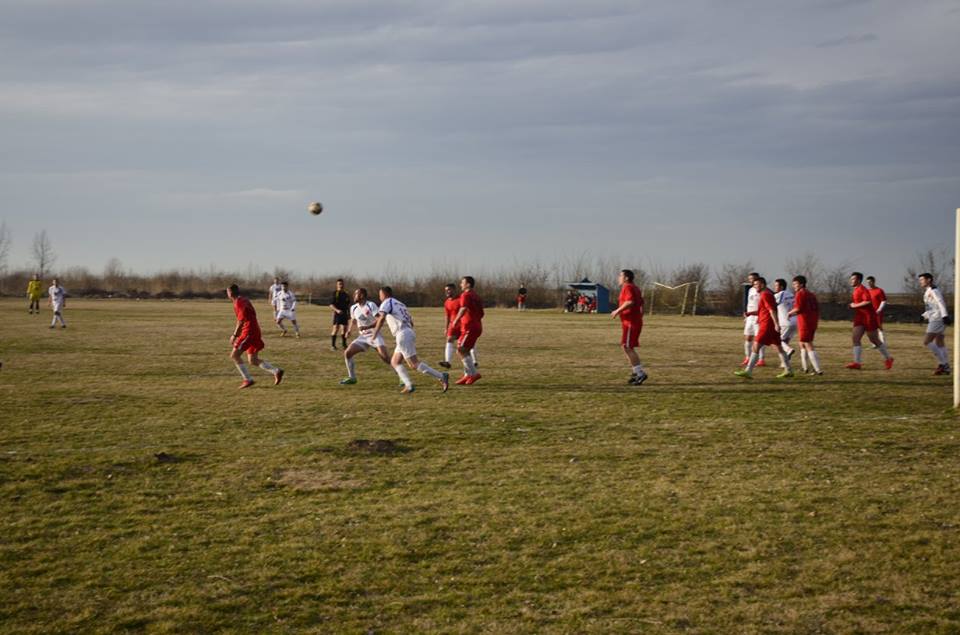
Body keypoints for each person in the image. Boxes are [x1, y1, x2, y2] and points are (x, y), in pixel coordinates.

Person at [368, 286, 449, 393]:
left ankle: (441, 376)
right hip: (407, 332)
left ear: (384, 294)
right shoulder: (401, 304)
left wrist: (375, 333)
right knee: (395, 362)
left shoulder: (387, 302)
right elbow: (411, 322)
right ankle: (409, 385)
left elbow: (382, 318)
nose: (379, 297)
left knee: (414, 364)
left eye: (380, 294)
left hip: (402, 334)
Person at [227, 284, 284, 389]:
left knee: (235, 355)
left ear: (230, 293)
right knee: (252, 360)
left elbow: (240, 321)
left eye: (227, 292)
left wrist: (235, 335)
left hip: (248, 331)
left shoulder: (239, 303)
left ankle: (247, 379)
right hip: (255, 329)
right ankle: (276, 371)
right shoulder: (244, 299)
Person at [735, 277, 794, 379]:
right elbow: (763, 310)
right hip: (769, 325)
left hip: (767, 325)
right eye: (754, 285)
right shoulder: (766, 294)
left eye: (756, 284)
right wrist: (750, 313)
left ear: (762, 284)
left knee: (756, 346)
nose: (755, 287)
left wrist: (776, 324)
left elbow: (772, 310)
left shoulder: (765, 295)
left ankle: (748, 371)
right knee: (778, 347)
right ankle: (788, 370)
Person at [340, 288, 391, 384]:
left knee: (385, 357)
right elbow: (354, 320)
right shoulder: (353, 308)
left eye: (356, 294)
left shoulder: (371, 305)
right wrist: (349, 330)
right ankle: (352, 378)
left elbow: (378, 320)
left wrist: (367, 327)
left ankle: (401, 376)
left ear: (362, 295)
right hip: (363, 338)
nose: (354, 296)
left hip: (374, 335)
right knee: (347, 353)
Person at [846, 272, 893, 370]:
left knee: (874, 340)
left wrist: (854, 305)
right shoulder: (855, 290)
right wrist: (853, 305)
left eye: (853, 279)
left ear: (858, 280)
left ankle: (888, 358)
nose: (851, 280)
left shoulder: (862, 289)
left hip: (868, 317)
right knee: (855, 338)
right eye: (851, 279)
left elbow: (867, 301)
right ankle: (857, 363)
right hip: (859, 317)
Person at [610, 269, 647, 385]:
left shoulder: (628, 287)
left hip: (631, 323)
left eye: (620, 275)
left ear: (626, 278)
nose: (618, 278)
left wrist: (617, 311)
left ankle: (640, 373)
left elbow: (629, 302)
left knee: (627, 347)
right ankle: (636, 372)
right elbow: (641, 304)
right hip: (633, 322)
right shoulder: (635, 287)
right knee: (627, 347)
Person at [448, 276, 484, 385]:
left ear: (468, 284)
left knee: (461, 350)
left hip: (469, 327)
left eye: (462, 283)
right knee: (465, 350)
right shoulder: (476, 296)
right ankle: (467, 375)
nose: (460, 285)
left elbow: (463, 308)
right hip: (476, 326)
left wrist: (456, 320)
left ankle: (473, 374)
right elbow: (482, 313)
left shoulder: (465, 295)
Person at [918, 273, 952, 375]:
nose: (920, 282)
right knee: (939, 342)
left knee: (927, 341)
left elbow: (940, 303)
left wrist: (944, 316)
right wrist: (924, 315)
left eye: (922, 280)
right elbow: (931, 308)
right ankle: (946, 367)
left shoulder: (934, 290)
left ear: (929, 280)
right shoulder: (928, 291)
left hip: (937, 318)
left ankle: (943, 364)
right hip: (935, 317)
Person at [788, 275, 823, 375]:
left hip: (805, 321)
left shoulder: (800, 294)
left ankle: (818, 369)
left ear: (801, 284)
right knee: (802, 343)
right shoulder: (811, 294)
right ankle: (805, 367)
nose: (794, 286)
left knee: (808, 344)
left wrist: (789, 313)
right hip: (812, 321)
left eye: (795, 284)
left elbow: (798, 308)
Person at [439, 283, 477, 370]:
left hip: (463, 323)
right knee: (449, 339)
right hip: (453, 324)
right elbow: (447, 316)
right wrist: (446, 327)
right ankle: (447, 362)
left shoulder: (461, 299)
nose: (447, 292)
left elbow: (467, 309)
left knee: (468, 344)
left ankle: (474, 361)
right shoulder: (447, 302)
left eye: (449, 290)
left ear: (454, 290)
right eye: (446, 290)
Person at [741, 272, 766, 367]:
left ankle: (761, 359)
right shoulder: (751, 289)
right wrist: (746, 313)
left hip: (758, 317)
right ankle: (747, 357)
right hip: (750, 317)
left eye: (752, 279)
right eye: (749, 279)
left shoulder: (763, 291)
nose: (750, 280)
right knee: (748, 337)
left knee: (759, 339)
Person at [773, 278, 797, 359]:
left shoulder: (778, 295)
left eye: (776, 285)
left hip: (785, 321)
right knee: (785, 341)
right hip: (795, 321)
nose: (775, 287)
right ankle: (785, 362)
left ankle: (788, 350)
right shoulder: (791, 294)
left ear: (782, 287)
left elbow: (771, 306)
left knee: (776, 341)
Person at [865, 276, 888, 345]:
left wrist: (879, 310)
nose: (868, 284)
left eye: (870, 282)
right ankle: (875, 343)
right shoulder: (867, 291)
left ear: (873, 282)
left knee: (879, 327)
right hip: (870, 313)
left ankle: (883, 343)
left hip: (877, 313)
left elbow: (883, 301)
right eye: (867, 282)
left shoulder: (879, 291)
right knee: (871, 328)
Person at [328, 278, 351, 351]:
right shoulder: (335, 293)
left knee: (344, 329)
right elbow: (331, 305)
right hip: (337, 314)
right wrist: (337, 310)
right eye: (339, 284)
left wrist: (349, 314)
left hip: (344, 313)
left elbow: (348, 305)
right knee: (336, 329)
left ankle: (344, 345)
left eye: (342, 284)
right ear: (337, 285)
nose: (341, 285)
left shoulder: (346, 294)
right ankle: (333, 346)